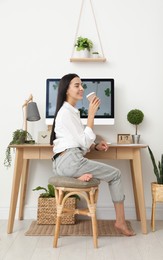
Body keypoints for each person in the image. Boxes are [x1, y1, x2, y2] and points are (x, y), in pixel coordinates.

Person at [50, 73, 135, 236]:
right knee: (116, 174)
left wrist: (95, 146)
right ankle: (120, 222)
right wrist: (91, 115)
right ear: (66, 90)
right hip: (71, 160)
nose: (81, 88)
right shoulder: (66, 113)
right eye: (76, 85)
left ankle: (75, 176)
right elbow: (82, 142)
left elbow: (80, 141)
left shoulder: (70, 111)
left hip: (63, 163)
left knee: (104, 172)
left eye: (81, 85)